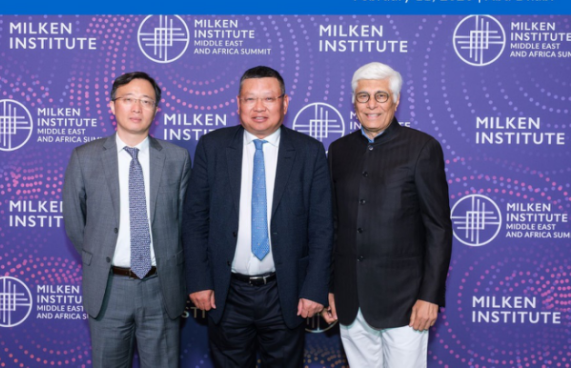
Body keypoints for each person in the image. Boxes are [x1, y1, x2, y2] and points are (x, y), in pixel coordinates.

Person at [182, 66, 333, 368]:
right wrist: (198, 280)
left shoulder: (309, 151)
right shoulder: (212, 147)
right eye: (250, 99)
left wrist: (315, 287)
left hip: (285, 292)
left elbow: (322, 227)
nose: (259, 108)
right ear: (238, 103)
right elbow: (195, 220)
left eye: (269, 98)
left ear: (284, 103)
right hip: (227, 292)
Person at [324, 62, 453, 368]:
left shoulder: (422, 148)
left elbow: (438, 229)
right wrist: (330, 287)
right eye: (363, 96)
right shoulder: (338, 150)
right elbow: (333, 225)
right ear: (354, 103)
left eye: (381, 96)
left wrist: (430, 297)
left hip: (405, 303)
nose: (372, 104)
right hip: (350, 300)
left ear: (396, 101)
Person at [63, 72, 191, 368]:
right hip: (109, 288)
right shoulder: (84, 157)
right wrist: (101, 257)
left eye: (146, 101)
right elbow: (75, 224)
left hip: (161, 288)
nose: (137, 108)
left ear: (156, 110)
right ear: (112, 105)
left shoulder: (177, 158)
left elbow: (185, 223)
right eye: (128, 99)